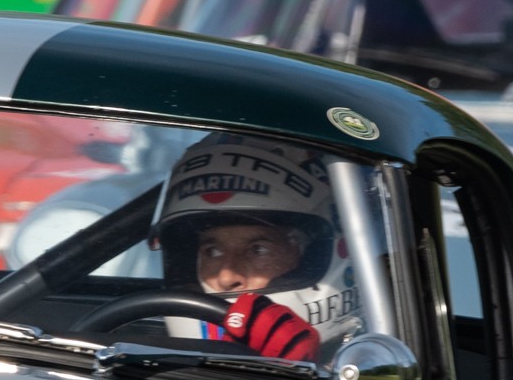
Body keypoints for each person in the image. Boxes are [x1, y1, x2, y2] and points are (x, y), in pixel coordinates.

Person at [154, 134, 361, 361]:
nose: (226, 276)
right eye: (212, 251)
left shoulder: (372, 372)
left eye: (259, 250)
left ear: (312, 255)